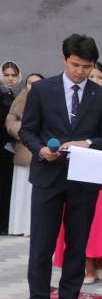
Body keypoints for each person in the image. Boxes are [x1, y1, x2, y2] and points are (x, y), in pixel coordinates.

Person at [17, 34, 102, 299]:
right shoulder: (42, 90)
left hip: (84, 178)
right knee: (42, 244)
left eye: (87, 67)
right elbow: (27, 131)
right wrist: (41, 150)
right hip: (48, 176)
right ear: (64, 59)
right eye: (76, 65)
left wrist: (87, 143)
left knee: (77, 242)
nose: (81, 72)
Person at [53, 62, 102, 282]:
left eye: (100, 77)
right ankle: (87, 266)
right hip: (79, 168)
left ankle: (99, 261)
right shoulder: (73, 100)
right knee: (82, 219)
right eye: (92, 76)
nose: (96, 81)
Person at [5, 72, 45, 235]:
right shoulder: (20, 99)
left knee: (37, 193)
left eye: (37, 83)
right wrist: (26, 130)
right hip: (23, 152)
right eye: (30, 83)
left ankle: (32, 228)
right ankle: (18, 227)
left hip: (42, 153)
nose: (33, 86)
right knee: (21, 191)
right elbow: (10, 123)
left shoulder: (49, 100)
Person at [1, 61, 24, 235]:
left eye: (13, 75)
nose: (10, 78)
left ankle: (7, 223)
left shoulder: (21, 95)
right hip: (3, 146)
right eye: (6, 75)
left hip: (16, 148)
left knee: (10, 187)